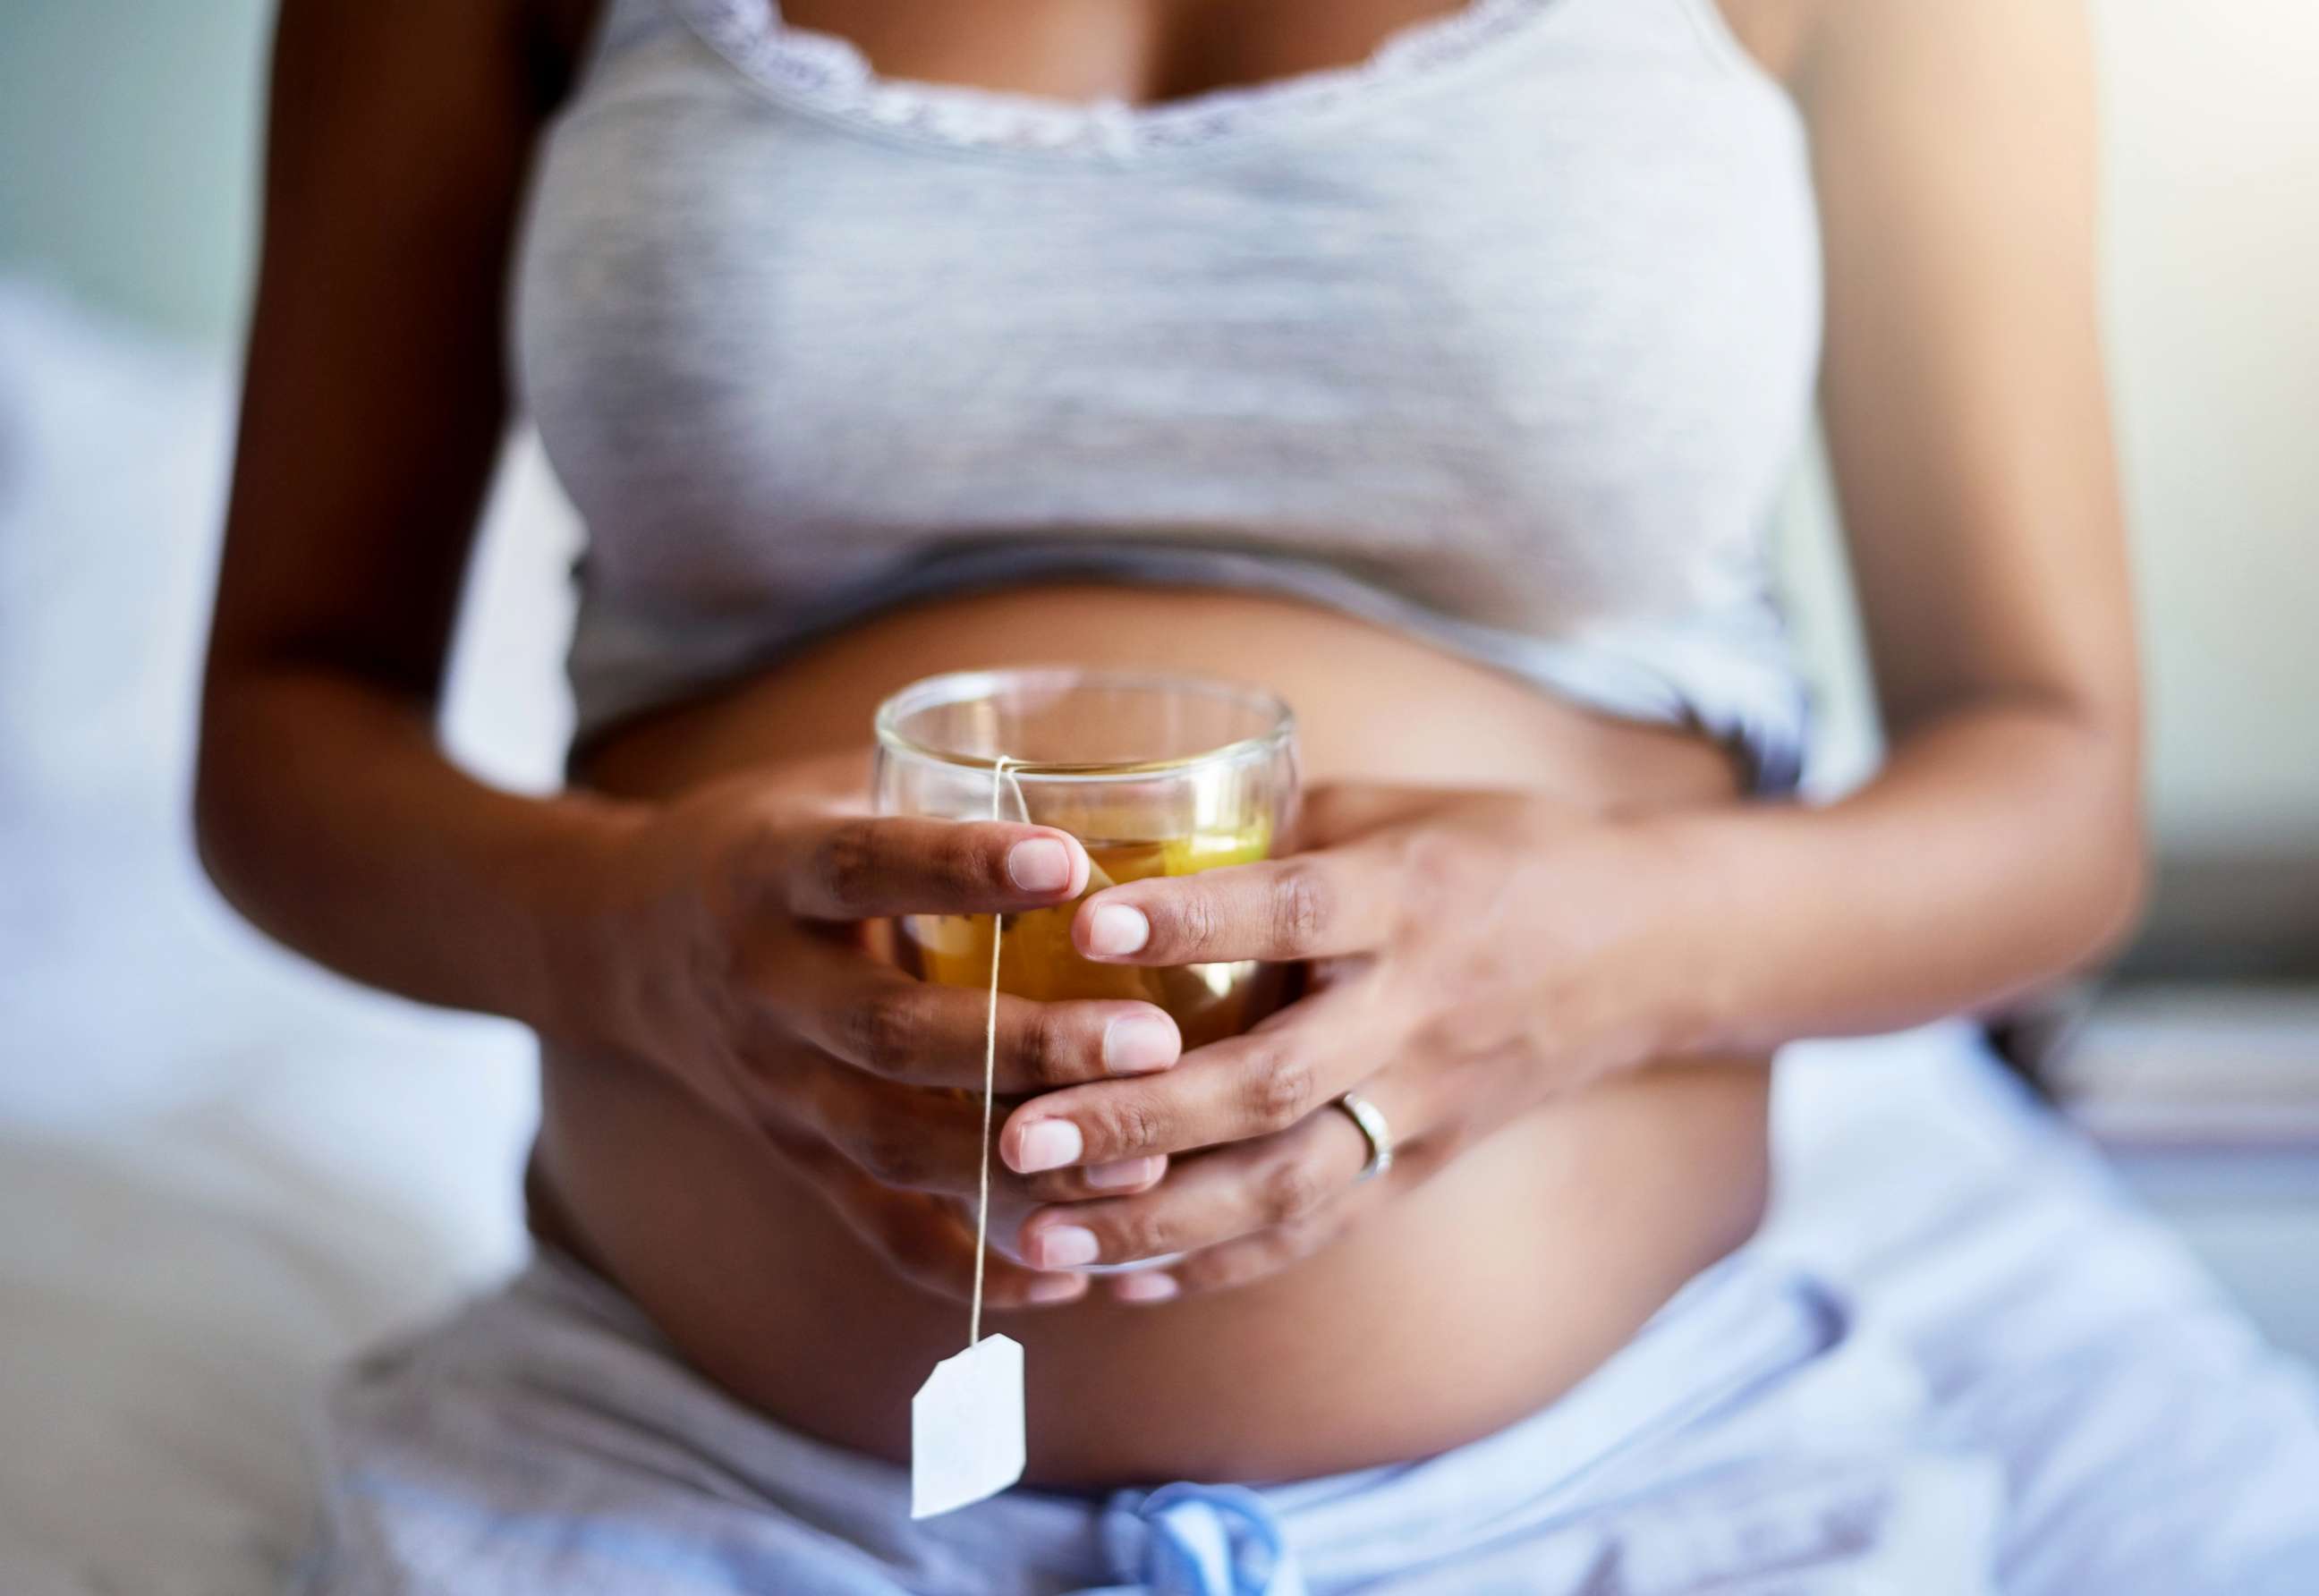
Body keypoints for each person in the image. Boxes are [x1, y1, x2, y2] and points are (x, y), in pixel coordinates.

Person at [198, 1, 2319, 1590]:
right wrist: (630, 940)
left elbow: (2049, 788)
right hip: (674, 1481)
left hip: (1634, 1480)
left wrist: (1582, 955)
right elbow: (286, 728)